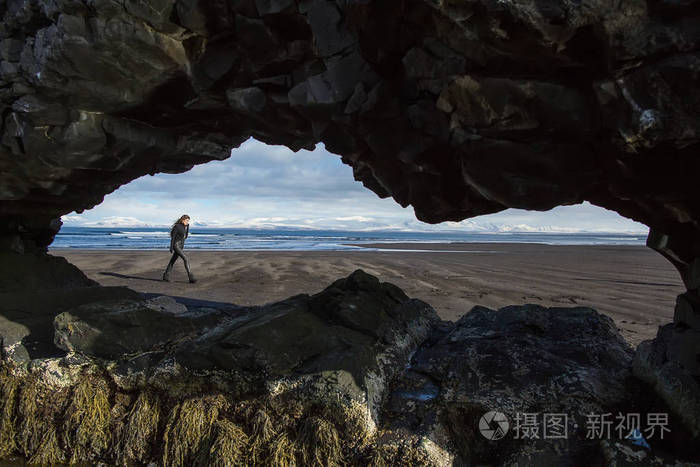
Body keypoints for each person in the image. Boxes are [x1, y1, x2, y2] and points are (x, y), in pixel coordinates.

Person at [163, 214, 196, 283]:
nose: (188, 222)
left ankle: (166, 275)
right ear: (183, 220)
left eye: (188, 221)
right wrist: (171, 247)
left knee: (172, 261)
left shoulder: (185, 227)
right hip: (176, 245)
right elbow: (173, 237)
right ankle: (191, 277)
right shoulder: (177, 226)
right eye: (187, 220)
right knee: (186, 259)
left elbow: (185, 237)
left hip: (181, 246)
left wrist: (187, 227)